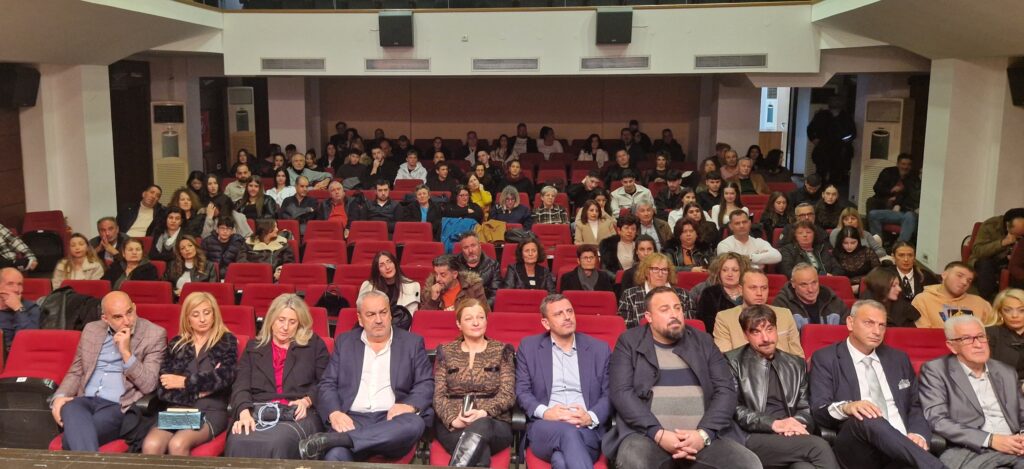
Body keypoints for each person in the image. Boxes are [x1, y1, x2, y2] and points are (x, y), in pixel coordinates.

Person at [604, 286, 764, 469]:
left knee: (748, 464)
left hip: (704, 439)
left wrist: (703, 434)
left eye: (677, 308)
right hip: (647, 437)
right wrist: (658, 434)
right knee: (635, 460)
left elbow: (726, 390)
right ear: (649, 317)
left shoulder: (703, 341)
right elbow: (621, 392)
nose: (674, 314)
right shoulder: (629, 342)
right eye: (665, 309)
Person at [298, 290, 433, 462]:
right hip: (353, 420)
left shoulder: (411, 343)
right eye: (371, 314)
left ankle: (340, 440)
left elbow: (425, 383)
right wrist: (334, 413)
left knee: (414, 423)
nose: (379, 319)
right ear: (360, 319)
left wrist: (409, 406)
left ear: (390, 314)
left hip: (392, 422)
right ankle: (345, 441)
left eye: (383, 312)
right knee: (335, 456)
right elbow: (327, 383)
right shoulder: (345, 342)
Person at [809, 300, 943, 469]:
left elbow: (914, 406)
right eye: (869, 323)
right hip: (858, 448)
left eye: (882, 325)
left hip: (902, 448)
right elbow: (819, 410)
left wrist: (918, 434)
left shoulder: (898, 359)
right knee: (866, 414)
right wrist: (847, 407)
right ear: (850, 323)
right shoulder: (826, 358)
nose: (877, 331)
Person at [725, 305, 839, 469]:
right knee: (819, 447)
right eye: (756, 332)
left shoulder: (795, 364)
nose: (765, 338)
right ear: (745, 335)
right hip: (751, 435)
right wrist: (774, 424)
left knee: (803, 467)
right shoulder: (732, 362)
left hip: (790, 435)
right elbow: (733, 409)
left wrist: (794, 425)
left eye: (769, 329)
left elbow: (805, 407)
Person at [51, 291, 166, 452]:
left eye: (129, 312)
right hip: (84, 400)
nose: (127, 321)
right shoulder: (91, 330)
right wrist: (59, 397)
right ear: (105, 319)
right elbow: (76, 371)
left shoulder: (154, 334)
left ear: (134, 307)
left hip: (117, 405)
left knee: (70, 440)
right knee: (69, 406)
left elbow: (149, 384)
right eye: (118, 317)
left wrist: (126, 353)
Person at [226, 294, 329, 459]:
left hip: (297, 413)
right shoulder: (254, 347)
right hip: (258, 411)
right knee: (237, 440)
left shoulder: (314, 345)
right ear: (271, 319)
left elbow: (325, 382)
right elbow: (241, 385)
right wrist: (244, 412)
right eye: (281, 320)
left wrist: (307, 400)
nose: (285, 327)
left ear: (300, 324)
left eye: (292, 322)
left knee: (278, 442)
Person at [516, 294, 611, 469]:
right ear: (546, 323)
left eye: (569, 311)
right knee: (568, 433)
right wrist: (546, 412)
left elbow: (610, 394)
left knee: (561, 461)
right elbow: (522, 391)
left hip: (586, 430)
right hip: (545, 428)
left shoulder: (599, 349)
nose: (567, 317)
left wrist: (589, 417)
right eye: (558, 314)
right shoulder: (529, 347)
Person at [921, 315, 1024, 468]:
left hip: (1014, 445)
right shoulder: (936, 371)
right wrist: (990, 440)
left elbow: (1022, 414)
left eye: (981, 337)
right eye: (967, 339)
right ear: (952, 346)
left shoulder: (1006, 371)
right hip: (970, 447)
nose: (978, 344)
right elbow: (938, 420)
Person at [141, 292, 237, 456]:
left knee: (178, 444)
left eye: (207, 313)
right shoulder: (177, 343)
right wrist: (200, 389)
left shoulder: (226, 341)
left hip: (210, 410)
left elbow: (225, 377)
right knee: (151, 444)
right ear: (187, 318)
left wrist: (184, 382)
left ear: (214, 314)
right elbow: (164, 386)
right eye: (195, 314)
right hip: (177, 410)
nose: (202, 319)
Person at [432, 298, 515, 466]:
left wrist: (484, 412)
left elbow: (508, 394)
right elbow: (439, 395)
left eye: (481, 317)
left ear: (486, 320)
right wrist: (453, 420)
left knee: (481, 425)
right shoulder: (446, 352)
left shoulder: (501, 350)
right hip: (454, 424)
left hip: (494, 422)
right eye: (469, 318)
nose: (476, 323)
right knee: (478, 451)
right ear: (459, 324)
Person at [713, 269, 804, 357]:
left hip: (782, 366)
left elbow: (798, 356)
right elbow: (725, 359)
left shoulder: (785, 314)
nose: (759, 293)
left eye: (764, 288)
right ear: (740, 289)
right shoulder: (724, 318)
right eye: (753, 288)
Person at [617, 253, 696, 328]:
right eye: (655, 269)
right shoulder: (630, 296)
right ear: (646, 272)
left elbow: (689, 327)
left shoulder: (683, 295)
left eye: (664, 270)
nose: (660, 274)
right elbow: (626, 329)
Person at [914, 261, 994, 328]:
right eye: (959, 276)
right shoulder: (923, 300)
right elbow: (924, 335)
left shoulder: (981, 303)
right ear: (944, 275)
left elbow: (994, 332)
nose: (964, 282)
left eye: (969, 280)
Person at [970, 208, 1024, 300]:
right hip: (990, 259)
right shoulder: (991, 226)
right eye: (1018, 234)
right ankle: (986, 301)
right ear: (1007, 225)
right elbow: (978, 251)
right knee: (985, 265)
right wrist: (1003, 242)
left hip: (1012, 262)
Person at [772, 263, 847, 329]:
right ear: (793, 284)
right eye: (804, 284)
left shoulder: (834, 301)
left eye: (814, 283)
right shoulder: (782, 304)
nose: (811, 289)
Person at [867, 154, 921, 244]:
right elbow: (877, 188)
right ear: (898, 164)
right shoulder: (888, 172)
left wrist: (897, 202)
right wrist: (891, 192)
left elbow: (911, 195)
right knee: (873, 214)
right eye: (903, 164)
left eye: (908, 165)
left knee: (910, 216)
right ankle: (877, 244)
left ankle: (899, 246)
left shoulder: (913, 178)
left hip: (907, 212)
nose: (905, 167)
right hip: (892, 209)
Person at [806, 96, 856, 188]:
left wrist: (843, 142)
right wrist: (813, 139)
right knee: (820, 174)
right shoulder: (821, 115)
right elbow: (810, 129)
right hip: (822, 149)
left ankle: (832, 192)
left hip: (838, 150)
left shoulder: (846, 117)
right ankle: (819, 191)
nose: (835, 102)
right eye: (833, 100)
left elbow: (852, 134)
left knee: (836, 175)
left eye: (837, 101)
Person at [695, 252, 750, 332]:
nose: (729, 274)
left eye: (735, 270)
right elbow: (706, 325)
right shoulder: (709, 293)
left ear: (742, 272)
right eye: (725, 270)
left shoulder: (750, 292)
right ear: (719, 272)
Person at [358, 251, 421, 316]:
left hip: (402, 321)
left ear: (395, 264)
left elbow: (411, 315)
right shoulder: (368, 287)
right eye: (381, 265)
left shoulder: (412, 286)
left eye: (389, 262)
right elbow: (363, 313)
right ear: (378, 271)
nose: (387, 267)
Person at [779, 220, 845, 279]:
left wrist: (832, 276)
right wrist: (817, 276)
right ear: (795, 236)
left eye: (808, 232)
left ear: (814, 234)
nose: (805, 235)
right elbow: (787, 271)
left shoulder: (822, 248)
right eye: (800, 233)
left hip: (828, 281)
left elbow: (838, 268)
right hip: (803, 283)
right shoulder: (788, 250)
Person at [717, 211, 782, 269]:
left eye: (744, 222)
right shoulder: (724, 245)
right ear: (731, 226)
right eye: (737, 223)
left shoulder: (759, 242)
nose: (742, 226)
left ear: (749, 223)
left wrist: (750, 258)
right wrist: (758, 263)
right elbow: (731, 266)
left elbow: (777, 256)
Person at [422, 255, 488, 311]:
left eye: (443, 275)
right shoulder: (430, 290)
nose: (437, 279)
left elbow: (486, 314)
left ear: (454, 274)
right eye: (436, 274)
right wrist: (433, 300)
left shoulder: (473, 288)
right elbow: (422, 318)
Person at [0, 267, 42, 352]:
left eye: (19, 284)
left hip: (12, 354)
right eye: (10, 284)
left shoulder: (32, 308)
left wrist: (19, 309)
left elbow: (29, 340)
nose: (16, 289)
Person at [987, 288, 1024, 381]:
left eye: (1022, 310)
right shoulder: (990, 333)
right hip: (1000, 385)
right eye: (1007, 310)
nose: (1014, 315)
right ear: (1000, 312)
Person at [453, 233, 501, 300]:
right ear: (462, 250)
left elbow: (495, 295)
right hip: (459, 304)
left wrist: (481, 305)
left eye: (473, 245)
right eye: (466, 247)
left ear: (479, 246)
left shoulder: (493, 265)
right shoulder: (453, 263)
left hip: (484, 304)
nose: (470, 251)